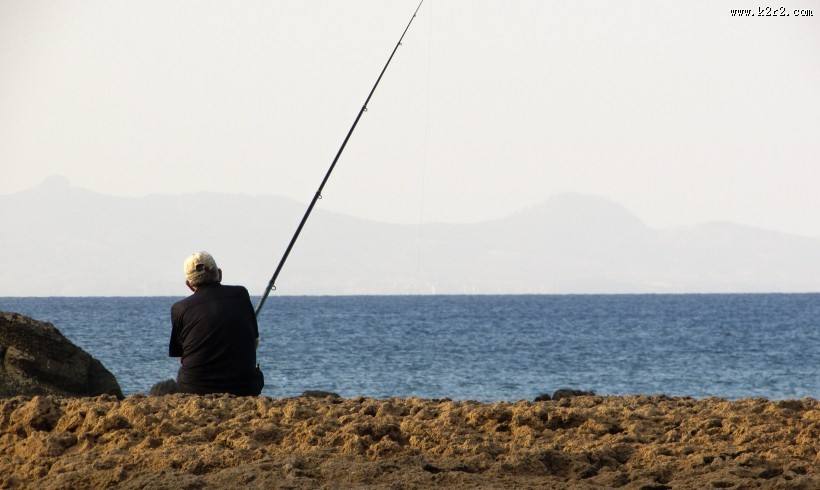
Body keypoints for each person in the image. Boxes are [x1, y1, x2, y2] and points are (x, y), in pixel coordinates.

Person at [168, 251, 264, 396]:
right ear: (219, 273)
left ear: (189, 284)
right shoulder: (240, 294)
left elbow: (182, 356)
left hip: (194, 389)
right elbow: (254, 342)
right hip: (244, 388)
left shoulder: (179, 308)